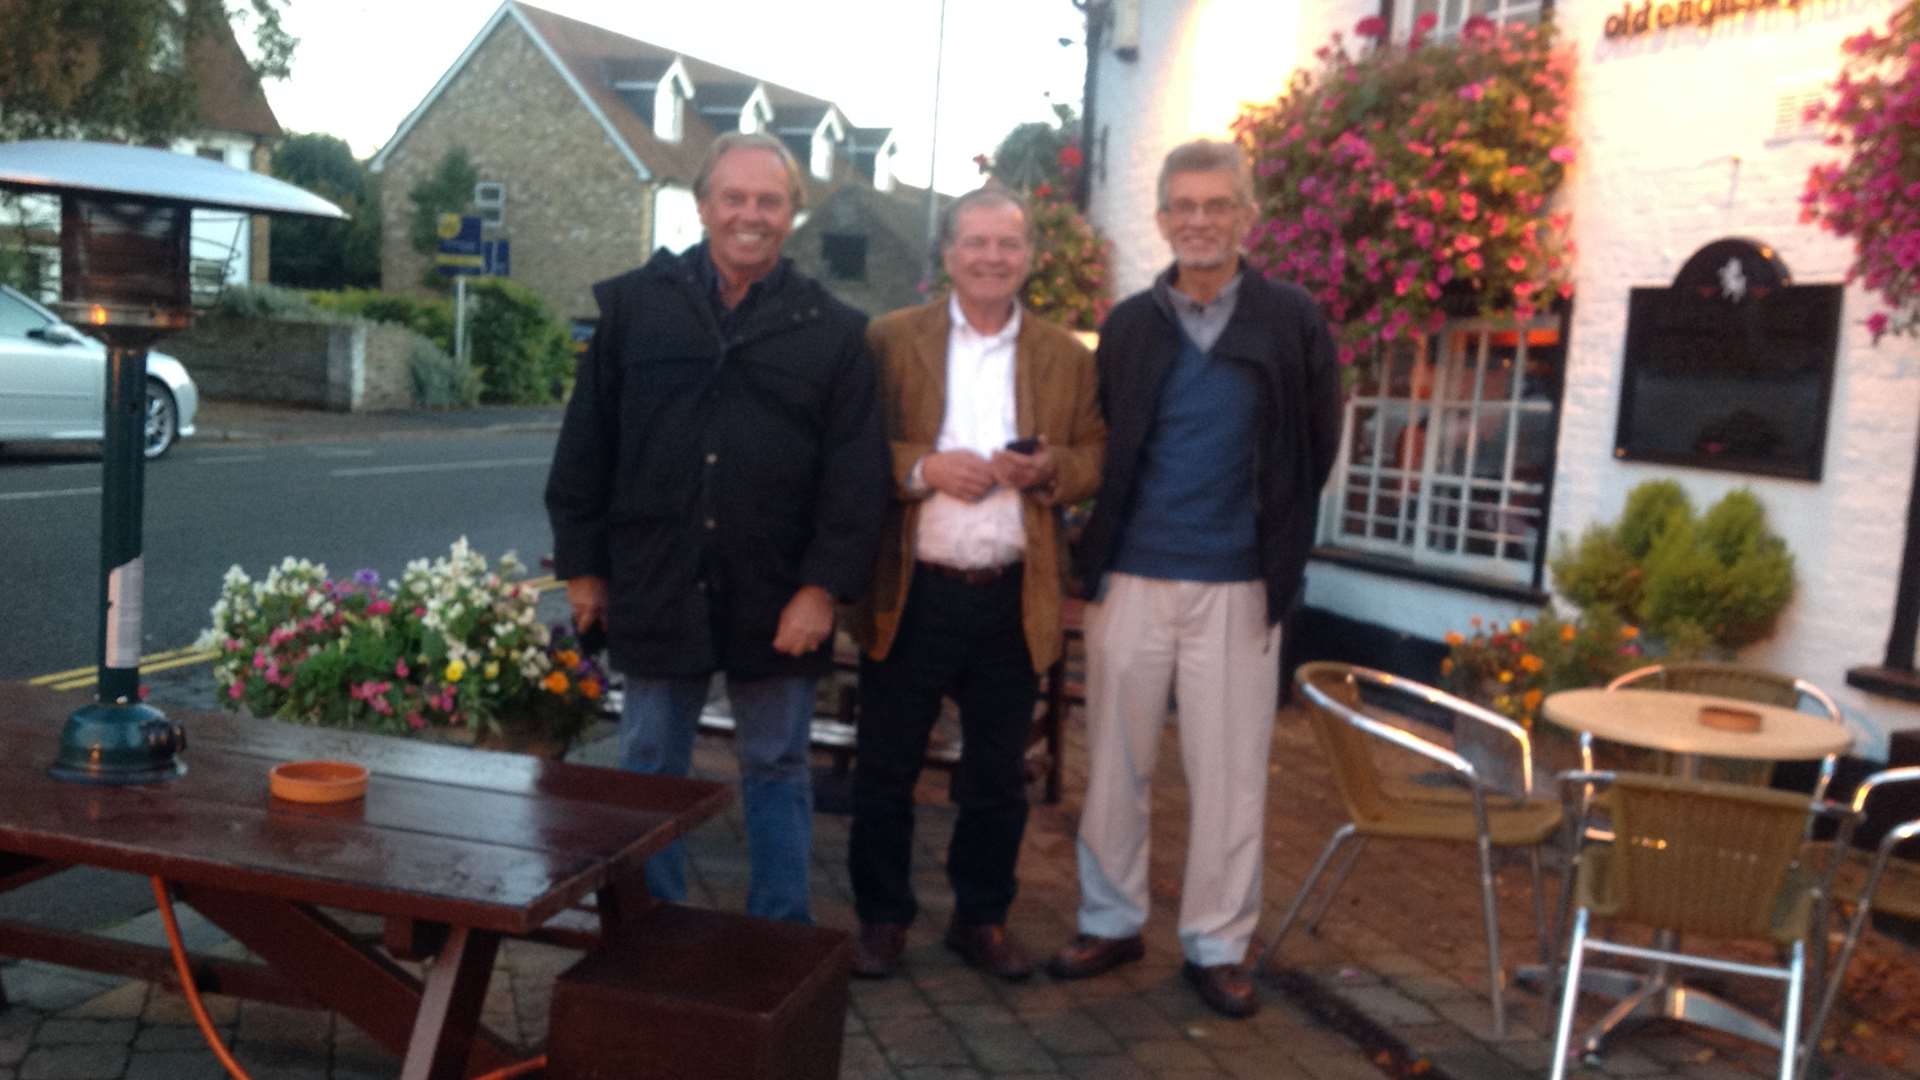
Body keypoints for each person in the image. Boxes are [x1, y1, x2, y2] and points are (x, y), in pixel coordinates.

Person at [544, 132, 888, 925]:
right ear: (702, 206)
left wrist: (821, 590)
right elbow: (586, 445)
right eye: (733, 198)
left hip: (778, 587)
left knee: (775, 761)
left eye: (769, 201)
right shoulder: (636, 307)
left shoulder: (832, 331)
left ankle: (778, 930)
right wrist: (585, 569)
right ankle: (650, 922)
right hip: (658, 575)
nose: (750, 215)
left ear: (792, 215)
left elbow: (855, 475)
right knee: (649, 760)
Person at [1046, 139, 1341, 1018]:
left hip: (1239, 583)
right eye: (1183, 206)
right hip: (1131, 576)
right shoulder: (1132, 324)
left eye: (1218, 205)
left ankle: (1216, 943)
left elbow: (1315, 445)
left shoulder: (1292, 320)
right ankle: (1111, 917)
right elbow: (1104, 442)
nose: (1199, 221)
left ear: (1248, 216)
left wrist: (1271, 544)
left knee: (1230, 774)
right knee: (1114, 766)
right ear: (1163, 218)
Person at [847, 187, 1105, 980]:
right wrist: (922, 468)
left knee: (996, 777)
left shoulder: (1066, 355)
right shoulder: (889, 340)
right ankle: (883, 919)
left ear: (1028, 257)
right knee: (886, 768)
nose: (992, 258)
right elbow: (850, 447)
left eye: (1008, 245)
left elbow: (1098, 452)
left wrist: (1051, 468)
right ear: (949, 255)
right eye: (977, 243)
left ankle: (980, 918)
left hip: (1011, 592)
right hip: (912, 589)